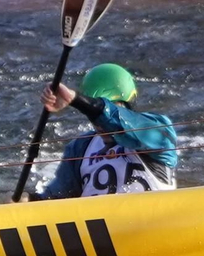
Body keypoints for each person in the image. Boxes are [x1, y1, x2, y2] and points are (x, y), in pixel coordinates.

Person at [21, 63, 179, 201]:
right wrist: (30, 201)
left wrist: (76, 100)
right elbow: (58, 198)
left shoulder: (157, 131)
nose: (98, 121)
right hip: (101, 232)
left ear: (126, 103)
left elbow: (113, 117)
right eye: (91, 113)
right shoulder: (80, 147)